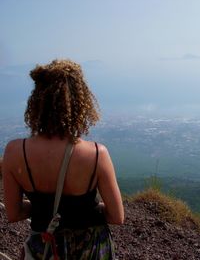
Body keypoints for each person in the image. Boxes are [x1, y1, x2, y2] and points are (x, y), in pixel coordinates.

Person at [2, 59, 124, 259]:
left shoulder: (15, 151)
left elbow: (14, 213)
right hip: (91, 249)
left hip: (46, 247)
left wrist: (46, 209)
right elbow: (116, 216)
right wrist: (85, 208)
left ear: (37, 101)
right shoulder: (96, 154)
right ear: (80, 102)